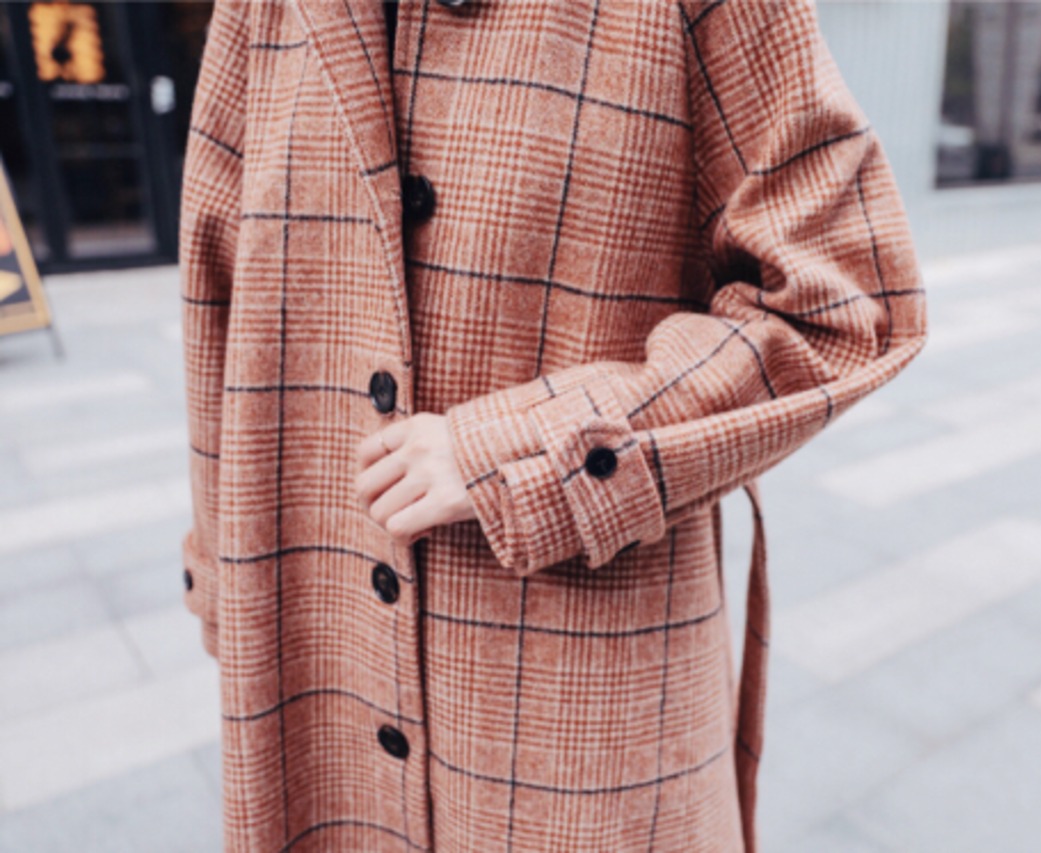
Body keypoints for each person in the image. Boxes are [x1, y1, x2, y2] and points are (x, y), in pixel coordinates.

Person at [178, 0, 928, 850]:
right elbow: (215, 287)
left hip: (582, 689)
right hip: (324, 641)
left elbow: (839, 307)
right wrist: (230, 579)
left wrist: (519, 445)